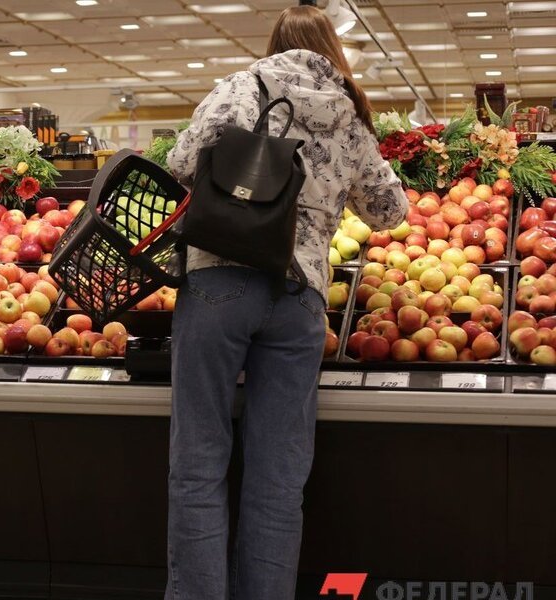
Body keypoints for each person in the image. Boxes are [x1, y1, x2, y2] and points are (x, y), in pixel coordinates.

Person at [162, 6, 408, 599]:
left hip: (221, 280)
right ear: (331, 49)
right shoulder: (348, 112)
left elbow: (179, 163)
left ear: (275, 43)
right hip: (300, 297)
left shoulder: (242, 87)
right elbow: (388, 211)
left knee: (199, 466)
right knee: (278, 480)